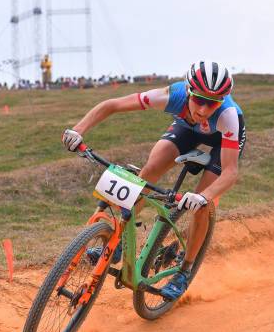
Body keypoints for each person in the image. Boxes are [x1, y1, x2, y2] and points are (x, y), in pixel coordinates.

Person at [62, 61, 246, 300]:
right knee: (149, 172)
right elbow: (112, 105)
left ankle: (184, 270)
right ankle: (117, 245)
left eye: (212, 103)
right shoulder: (172, 96)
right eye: (199, 99)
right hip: (186, 128)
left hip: (222, 140)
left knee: (203, 206)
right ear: (188, 91)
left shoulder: (228, 116)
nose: (203, 109)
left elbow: (231, 172)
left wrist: (203, 196)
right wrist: (78, 130)